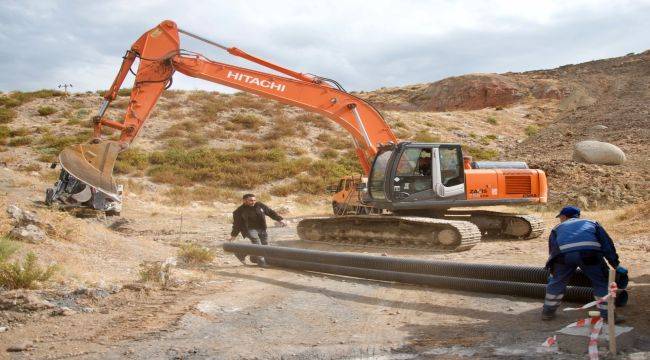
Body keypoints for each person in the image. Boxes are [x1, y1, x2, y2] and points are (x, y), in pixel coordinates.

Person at [542, 205, 627, 321]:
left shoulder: (557, 228)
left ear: (564, 216)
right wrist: (615, 264)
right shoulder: (592, 223)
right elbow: (607, 244)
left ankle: (547, 313)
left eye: (560, 217)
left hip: (564, 257)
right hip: (589, 255)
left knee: (557, 283)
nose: (560, 220)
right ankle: (609, 316)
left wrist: (553, 271)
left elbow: (553, 250)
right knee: (601, 283)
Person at [229, 193, 287, 266]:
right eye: (250, 200)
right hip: (250, 230)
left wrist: (280, 219)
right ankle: (261, 263)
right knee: (258, 245)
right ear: (244, 201)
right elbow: (237, 224)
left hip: (262, 228)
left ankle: (241, 254)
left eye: (254, 200)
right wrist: (233, 235)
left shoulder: (259, 205)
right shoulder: (238, 211)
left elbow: (270, 212)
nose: (253, 202)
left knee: (265, 245)